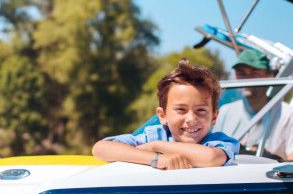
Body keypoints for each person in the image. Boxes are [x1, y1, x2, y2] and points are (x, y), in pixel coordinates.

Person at [92, 59, 239, 169]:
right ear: (162, 116)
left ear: (214, 116)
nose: (191, 119)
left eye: (201, 110)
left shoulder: (220, 142)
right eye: (181, 110)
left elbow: (211, 158)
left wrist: (157, 146)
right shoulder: (154, 135)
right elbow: (100, 148)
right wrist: (157, 158)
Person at [214, 48, 293, 162]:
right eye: (241, 73)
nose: (247, 79)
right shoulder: (225, 111)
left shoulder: (292, 115)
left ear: (270, 76)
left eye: (254, 73)